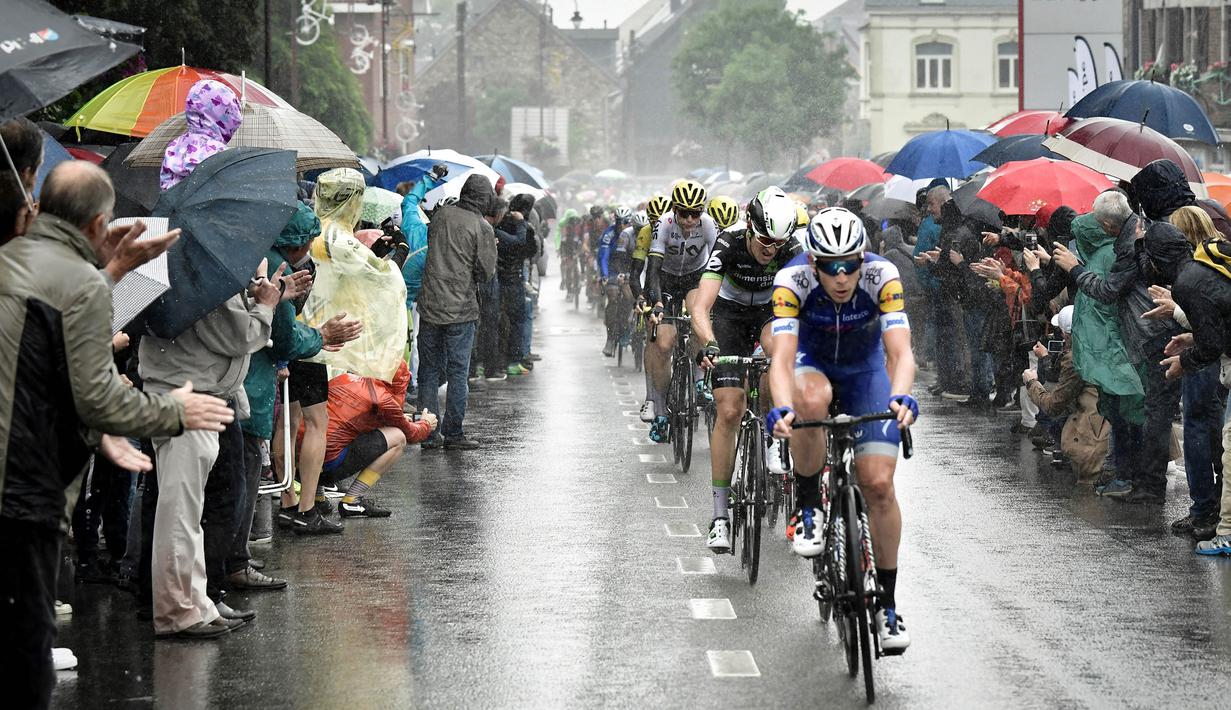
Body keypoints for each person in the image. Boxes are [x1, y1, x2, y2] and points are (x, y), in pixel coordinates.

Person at [0, 161, 233, 707]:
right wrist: (173, 411)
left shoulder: (14, 259)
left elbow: (46, 346)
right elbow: (97, 394)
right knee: (27, 657)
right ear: (99, 223)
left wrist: (111, 271)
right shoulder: (78, 282)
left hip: (20, 467)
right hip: (23, 484)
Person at [766, 206, 916, 653]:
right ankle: (808, 506)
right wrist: (780, 409)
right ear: (813, 262)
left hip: (865, 370)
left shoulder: (882, 276)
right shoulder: (791, 282)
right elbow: (781, 358)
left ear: (862, 257)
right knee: (809, 402)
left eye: (850, 264)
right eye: (830, 267)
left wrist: (902, 395)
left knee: (879, 486)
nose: (841, 276)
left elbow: (901, 353)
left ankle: (887, 605)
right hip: (813, 364)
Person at [692, 187, 801, 553]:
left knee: (779, 354)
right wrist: (709, 344)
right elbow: (702, 306)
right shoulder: (730, 241)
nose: (771, 250)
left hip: (771, 312)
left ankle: (774, 438)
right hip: (729, 318)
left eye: (778, 243)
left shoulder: (790, 248)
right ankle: (720, 517)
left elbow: (810, 300)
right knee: (729, 410)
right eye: (766, 241)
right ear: (751, 228)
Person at [1053, 190, 1177, 502]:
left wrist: (1075, 268)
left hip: (1144, 338)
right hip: (1139, 339)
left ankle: (1143, 482)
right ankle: (1139, 480)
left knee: (1145, 414)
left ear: (1108, 226)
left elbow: (1107, 292)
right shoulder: (1130, 240)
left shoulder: (1126, 248)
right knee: (1143, 412)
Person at [1158, 219, 1231, 554]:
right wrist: (1192, 336)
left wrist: (1185, 360)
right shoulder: (1211, 267)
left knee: (1225, 444)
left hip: (1219, 365)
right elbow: (1218, 327)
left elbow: (1213, 339)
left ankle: (1222, 527)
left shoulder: (1192, 279)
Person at [417, 174, 497, 449]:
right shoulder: (482, 228)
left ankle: (428, 432)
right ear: (486, 199)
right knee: (457, 372)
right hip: (461, 310)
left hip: (429, 305)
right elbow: (486, 272)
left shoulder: (440, 216)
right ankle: (453, 434)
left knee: (427, 370)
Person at [643, 179, 720, 443]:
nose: (689, 220)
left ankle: (699, 381)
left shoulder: (709, 225)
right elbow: (652, 268)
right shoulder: (662, 225)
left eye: (695, 213)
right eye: (683, 213)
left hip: (694, 277)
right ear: (674, 210)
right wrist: (656, 302)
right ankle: (661, 411)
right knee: (663, 344)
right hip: (665, 279)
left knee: (700, 315)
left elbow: (718, 265)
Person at [323, 363, 438, 517]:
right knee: (398, 437)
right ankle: (352, 500)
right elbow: (412, 435)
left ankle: (316, 498)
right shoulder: (383, 398)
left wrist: (394, 418)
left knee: (322, 436)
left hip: (298, 467)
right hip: (328, 466)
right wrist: (426, 423)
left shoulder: (346, 378)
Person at [1022, 306, 1110, 485]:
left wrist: (1032, 383)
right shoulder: (1105, 344)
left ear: (1066, 334)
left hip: (1095, 435)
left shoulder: (1076, 357)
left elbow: (1055, 405)